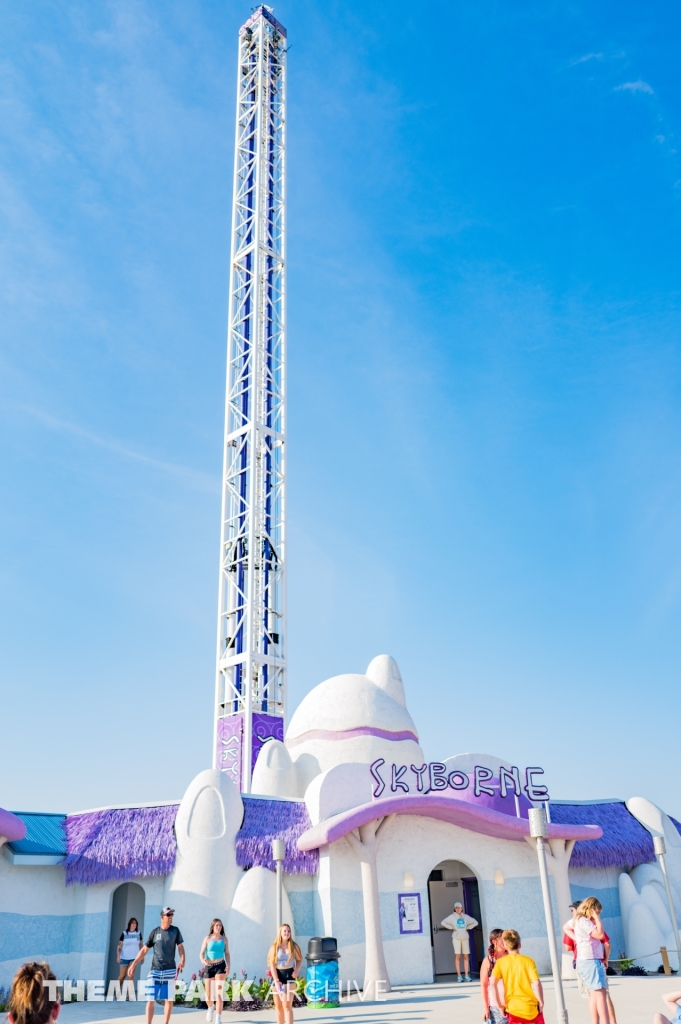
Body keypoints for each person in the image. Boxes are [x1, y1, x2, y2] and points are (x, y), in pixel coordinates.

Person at [128, 906, 185, 1024]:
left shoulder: (175, 931)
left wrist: (182, 958)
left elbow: (180, 947)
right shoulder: (155, 932)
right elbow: (144, 949)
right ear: (162, 917)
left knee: (168, 999)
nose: (171, 917)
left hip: (170, 970)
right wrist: (134, 964)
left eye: (171, 915)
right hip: (155, 971)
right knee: (151, 999)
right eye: (168, 915)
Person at [564, 897, 611, 1024]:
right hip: (591, 960)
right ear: (592, 909)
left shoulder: (577, 920)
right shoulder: (585, 921)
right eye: (598, 912)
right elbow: (600, 936)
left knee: (594, 995)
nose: (599, 914)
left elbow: (565, 927)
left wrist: (577, 940)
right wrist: (597, 918)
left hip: (583, 960)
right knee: (601, 995)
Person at [490, 929, 544, 1024]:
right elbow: (537, 983)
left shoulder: (500, 963)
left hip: (513, 1009)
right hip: (532, 1008)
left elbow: (492, 984)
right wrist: (541, 1001)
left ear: (505, 946)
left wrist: (500, 1006)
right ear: (520, 945)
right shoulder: (529, 961)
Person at [267, 923, 303, 1024]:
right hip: (277, 975)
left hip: (289, 975)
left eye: (289, 931)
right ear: (280, 933)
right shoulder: (274, 947)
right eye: (285, 931)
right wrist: (277, 980)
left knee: (287, 1006)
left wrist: (296, 970)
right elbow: (272, 964)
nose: (287, 933)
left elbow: (299, 960)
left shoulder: (293, 946)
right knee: (278, 1007)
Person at [200, 918, 230, 1024]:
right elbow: (202, 953)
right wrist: (203, 960)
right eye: (217, 925)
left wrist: (228, 966)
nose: (219, 927)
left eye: (220, 925)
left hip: (220, 966)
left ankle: (218, 1018)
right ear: (213, 926)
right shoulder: (207, 938)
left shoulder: (224, 939)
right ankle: (211, 1007)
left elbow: (227, 953)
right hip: (209, 966)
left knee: (219, 994)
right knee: (208, 995)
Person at [441, 900, 478, 982]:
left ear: (462, 908)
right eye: (456, 908)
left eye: (460, 908)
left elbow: (475, 922)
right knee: (457, 956)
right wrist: (451, 927)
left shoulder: (465, 916)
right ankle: (459, 976)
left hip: (464, 937)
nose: (458, 909)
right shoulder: (452, 917)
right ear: (454, 908)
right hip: (456, 937)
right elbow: (443, 922)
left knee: (465, 956)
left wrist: (468, 927)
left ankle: (467, 975)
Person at [480, 928, 508, 1023]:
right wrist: (485, 1008)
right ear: (494, 941)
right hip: (495, 1007)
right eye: (502, 938)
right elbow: (484, 986)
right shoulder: (488, 961)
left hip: (513, 1005)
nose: (506, 940)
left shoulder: (511, 957)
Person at [117, 916, 144, 984]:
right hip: (124, 957)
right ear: (129, 924)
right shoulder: (124, 933)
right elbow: (119, 946)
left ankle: (129, 994)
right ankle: (117, 991)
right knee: (122, 976)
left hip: (134, 957)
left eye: (135, 923)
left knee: (131, 975)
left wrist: (142, 957)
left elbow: (141, 945)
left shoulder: (138, 933)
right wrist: (118, 956)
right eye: (133, 923)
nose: (134, 924)